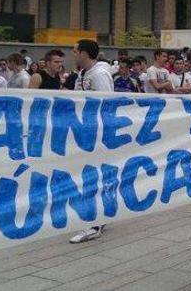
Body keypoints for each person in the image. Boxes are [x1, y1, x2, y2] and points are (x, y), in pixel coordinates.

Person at [69, 39, 114, 244]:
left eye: (76, 50)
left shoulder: (100, 74)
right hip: (84, 131)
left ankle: (93, 224)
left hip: (97, 132)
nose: (73, 53)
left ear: (85, 53)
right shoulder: (83, 73)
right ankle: (100, 216)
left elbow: (107, 103)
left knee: (91, 174)